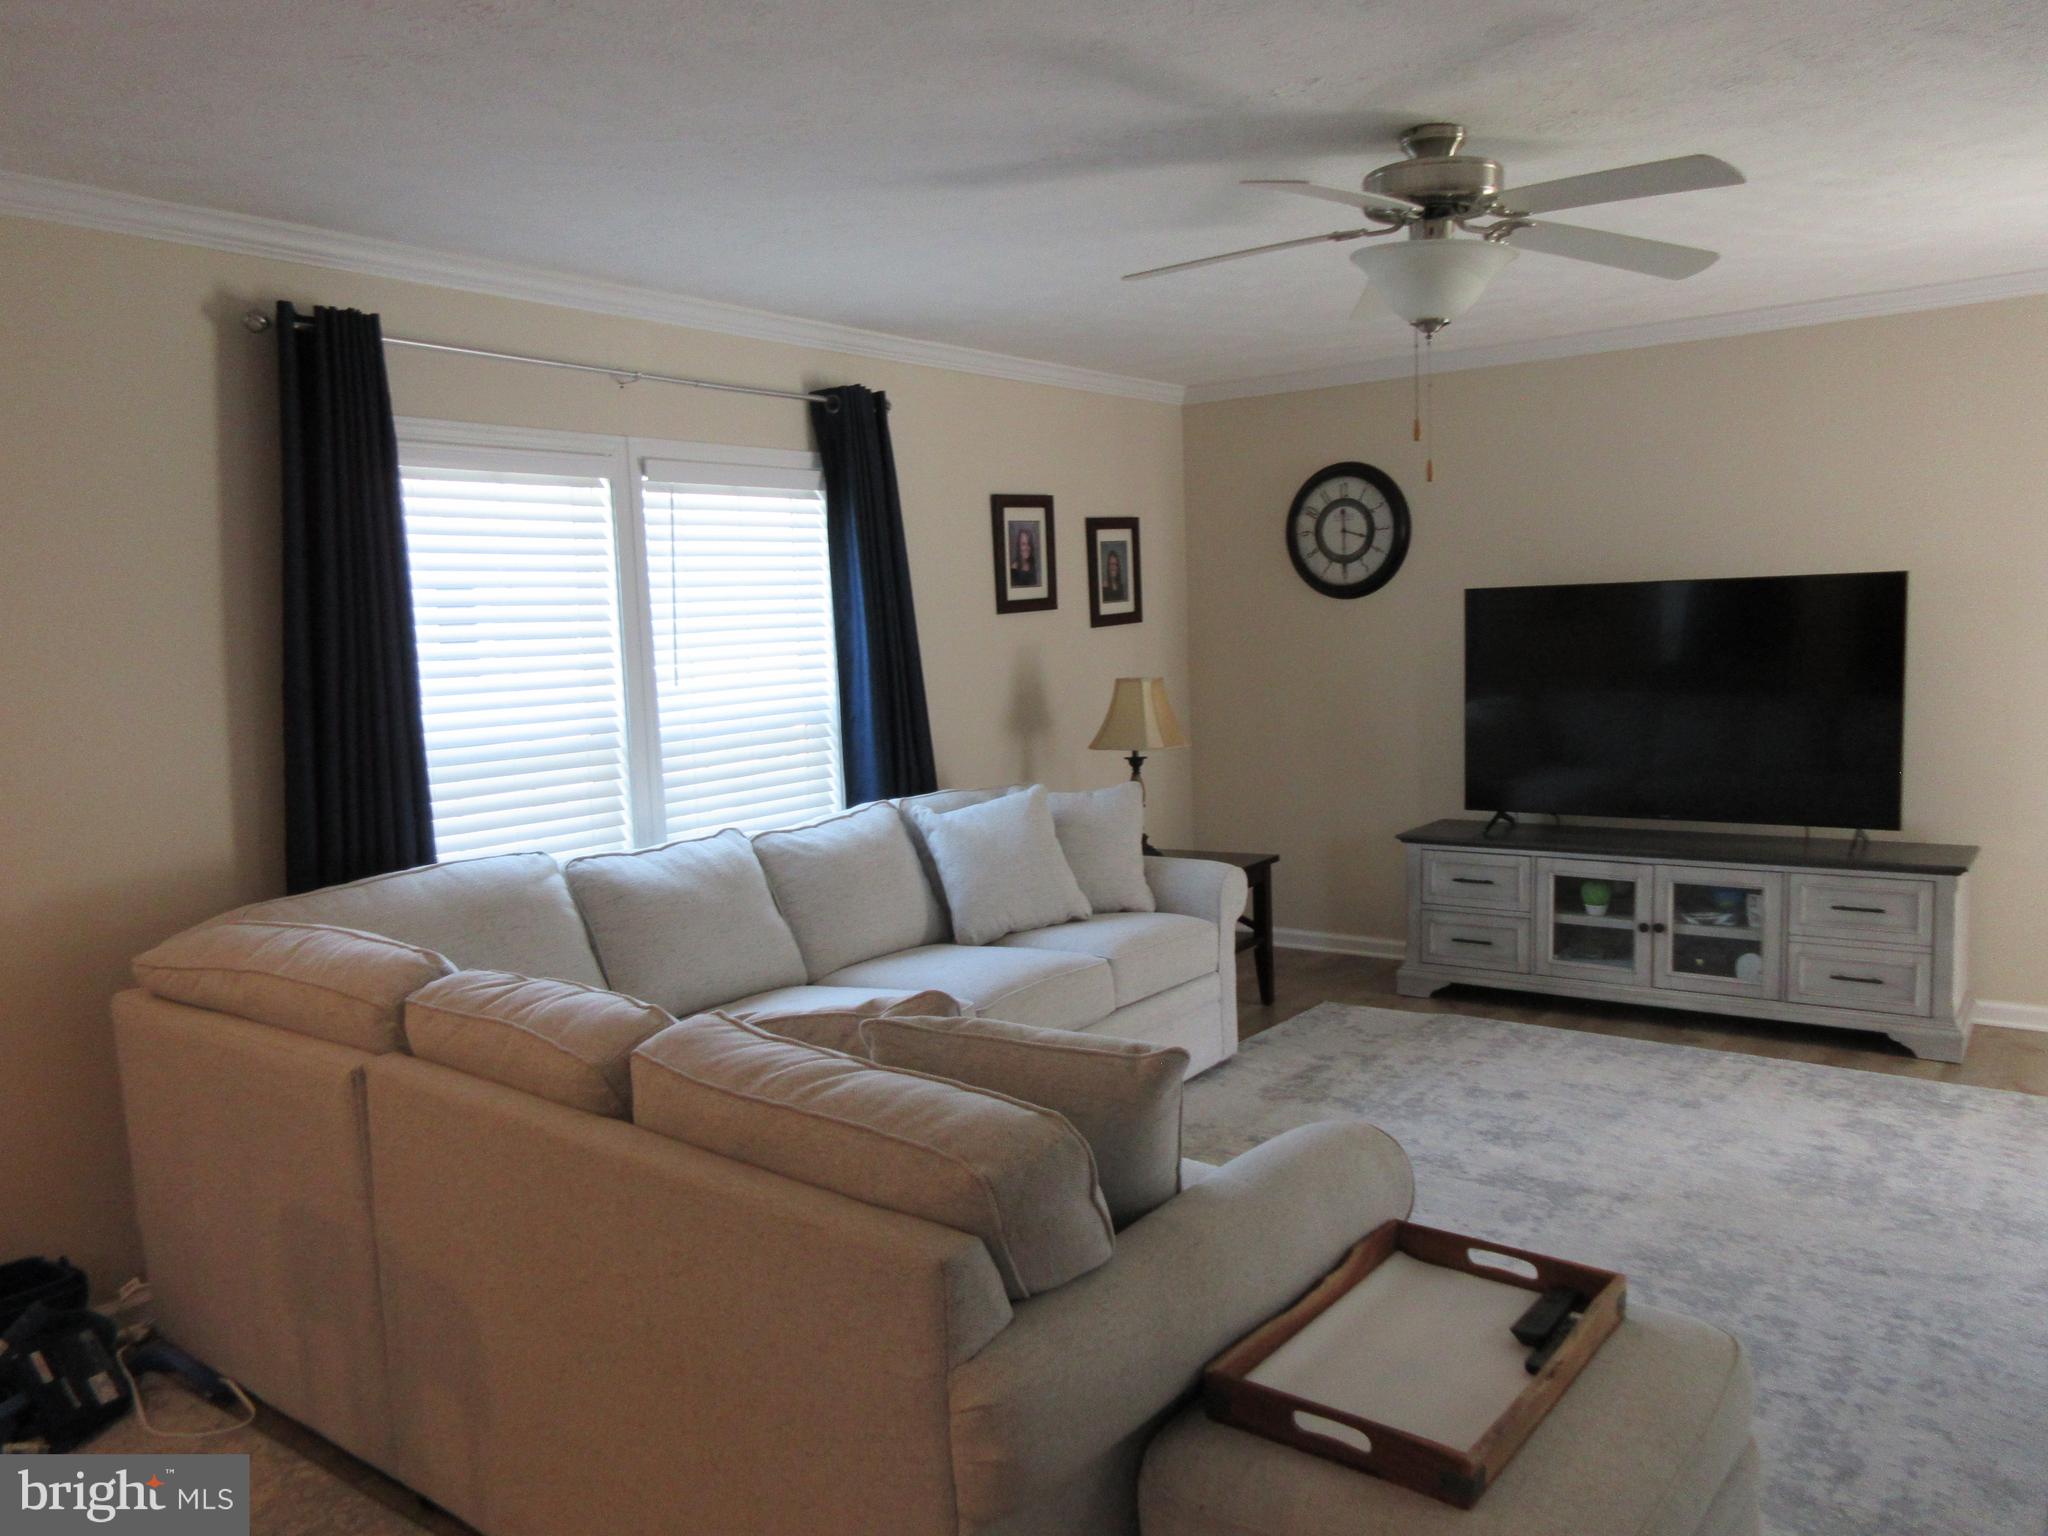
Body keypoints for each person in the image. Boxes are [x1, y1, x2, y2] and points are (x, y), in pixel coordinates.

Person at [1009, 523, 1040, 588]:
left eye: (1028, 544)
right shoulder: (1013, 569)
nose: (1026, 548)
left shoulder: (1033, 565)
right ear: (1018, 546)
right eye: (1023, 544)